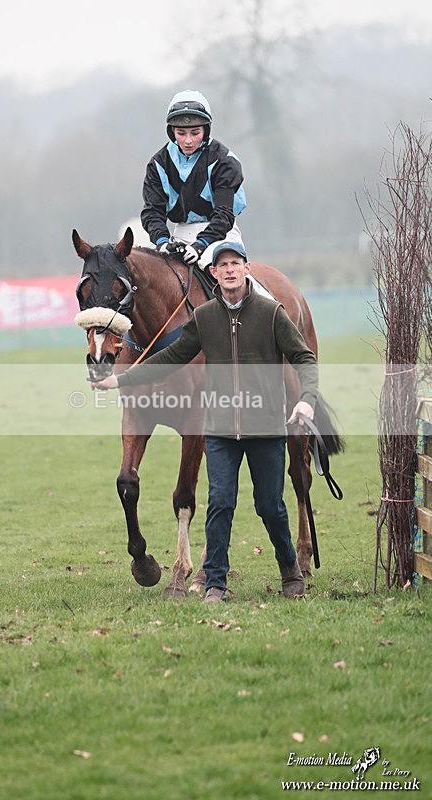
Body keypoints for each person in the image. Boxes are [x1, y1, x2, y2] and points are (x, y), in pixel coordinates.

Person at [91, 242, 319, 603]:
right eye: (223, 265)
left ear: (245, 268)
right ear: (214, 273)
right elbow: (171, 356)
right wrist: (121, 380)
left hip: (263, 425)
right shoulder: (204, 317)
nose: (229, 270)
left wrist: (306, 399)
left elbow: (303, 357)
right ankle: (215, 582)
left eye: (235, 264)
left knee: (270, 506)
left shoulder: (271, 312)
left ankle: (289, 568)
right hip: (221, 427)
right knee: (220, 503)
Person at [141, 89, 247, 269]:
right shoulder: (158, 163)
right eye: (181, 133)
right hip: (180, 232)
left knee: (228, 273)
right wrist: (162, 242)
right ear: (172, 131)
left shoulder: (224, 161)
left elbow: (224, 214)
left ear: (206, 130)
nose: (188, 140)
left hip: (221, 233)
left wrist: (200, 245)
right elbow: (152, 211)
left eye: (195, 132)